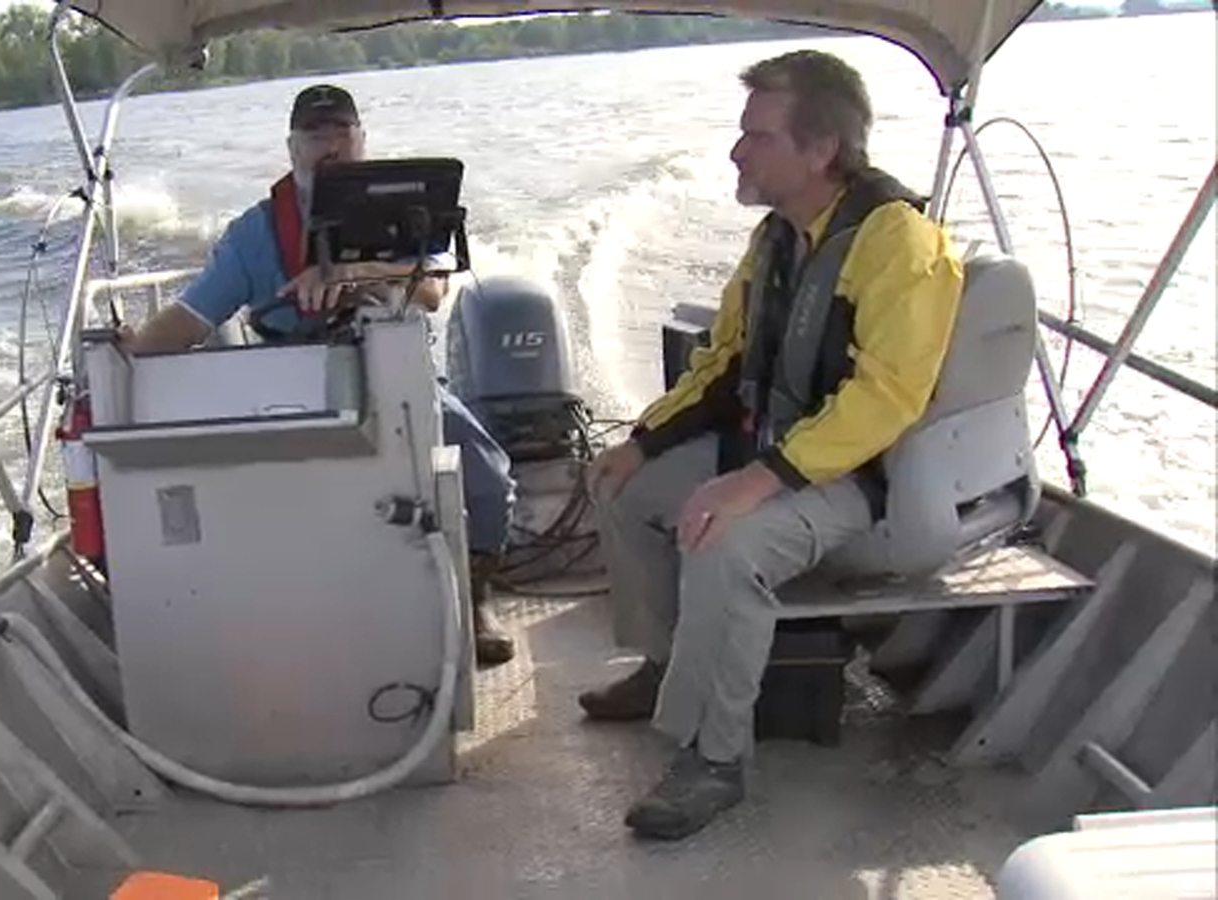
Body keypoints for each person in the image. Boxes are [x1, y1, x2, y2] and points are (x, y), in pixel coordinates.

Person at [577, 49, 965, 841]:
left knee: (726, 539)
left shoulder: (899, 244)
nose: (736, 151)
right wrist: (645, 443)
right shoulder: (776, 240)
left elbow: (885, 398)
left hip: (857, 478)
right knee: (619, 486)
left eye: (757, 136)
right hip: (770, 451)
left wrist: (755, 483)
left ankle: (714, 758)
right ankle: (666, 664)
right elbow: (724, 360)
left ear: (821, 149)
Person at [117, 83, 519, 668]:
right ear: (292, 148)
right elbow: (192, 319)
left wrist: (353, 272)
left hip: (400, 382)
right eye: (314, 135)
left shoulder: (405, 210)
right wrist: (129, 349)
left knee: (487, 476)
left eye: (341, 133)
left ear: (362, 140)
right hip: (289, 389)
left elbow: (431, 292)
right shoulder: (254, 233)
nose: (330, 146)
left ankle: (475, 597)